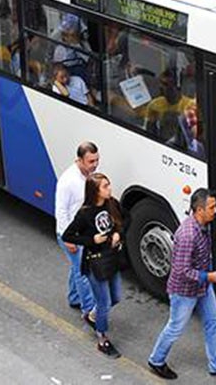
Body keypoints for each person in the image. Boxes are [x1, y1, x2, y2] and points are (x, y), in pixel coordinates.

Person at [148, 189, 216, 380]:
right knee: (175, 327)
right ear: (199, 210)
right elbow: (182, 271)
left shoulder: (202, 226)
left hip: (201, 286)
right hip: (184, 291)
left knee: (213, 322)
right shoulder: (187, 235)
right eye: (212, 207)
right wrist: (210, 277)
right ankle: (156, 361)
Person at [62, 173, 128, 358]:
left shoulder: (112, 204)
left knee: (115, 297)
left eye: (109, 185)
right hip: (95, 263)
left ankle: (92, 315)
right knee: (104, 302)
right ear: (95, 191)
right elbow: (68, 235)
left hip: (111, 259)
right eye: (105, 186)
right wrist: (91, 239)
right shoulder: (85, 214)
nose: (109, 189)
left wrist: (118, 234)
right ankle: (102, 339)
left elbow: (126, 219)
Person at [54, 142, 99, 326]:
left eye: (97, 160)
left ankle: (74, 297)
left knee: (77, 267)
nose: (95, 164)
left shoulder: (89, 174)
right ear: (79, 160)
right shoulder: (68, 181)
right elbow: (61, 211)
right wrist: (68, 239)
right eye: (91, 161)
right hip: (71, 234)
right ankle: (89, 311)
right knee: (83, 271)